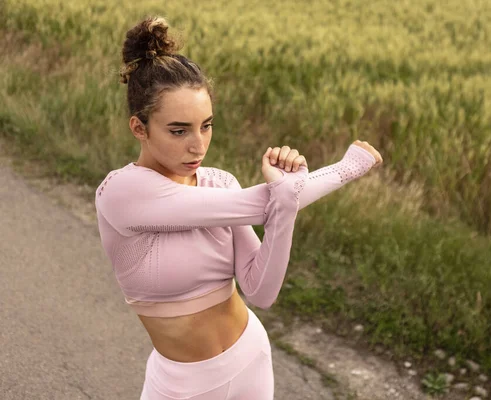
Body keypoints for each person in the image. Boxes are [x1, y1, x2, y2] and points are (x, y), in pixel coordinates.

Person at [95, 15, 383, 400]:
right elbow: (262, 203)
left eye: (207, 125)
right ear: (139, 128)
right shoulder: (122, 193)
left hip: (250, 362)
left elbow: (260, 291)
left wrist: (287, 200)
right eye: (179, 131)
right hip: (180, 386)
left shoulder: (219, 183)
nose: (198, 145)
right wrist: (344, 168)